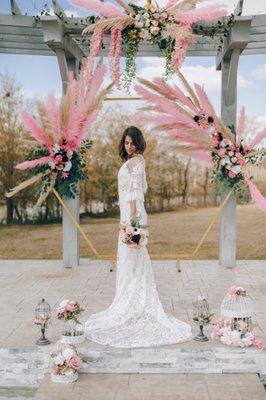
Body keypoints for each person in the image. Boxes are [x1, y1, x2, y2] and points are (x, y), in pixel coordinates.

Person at [85, 126, 192, 347]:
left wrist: (132, 225)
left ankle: (135, 305)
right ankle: (128, 302)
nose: (129, 146)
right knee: (127, 261)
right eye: (126, 143)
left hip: (132, 216)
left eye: (133, 143)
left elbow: (135, 192)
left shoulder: (137, 161)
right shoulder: (131, 161)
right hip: (127, 214)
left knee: (133, 258)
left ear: (139, 143)